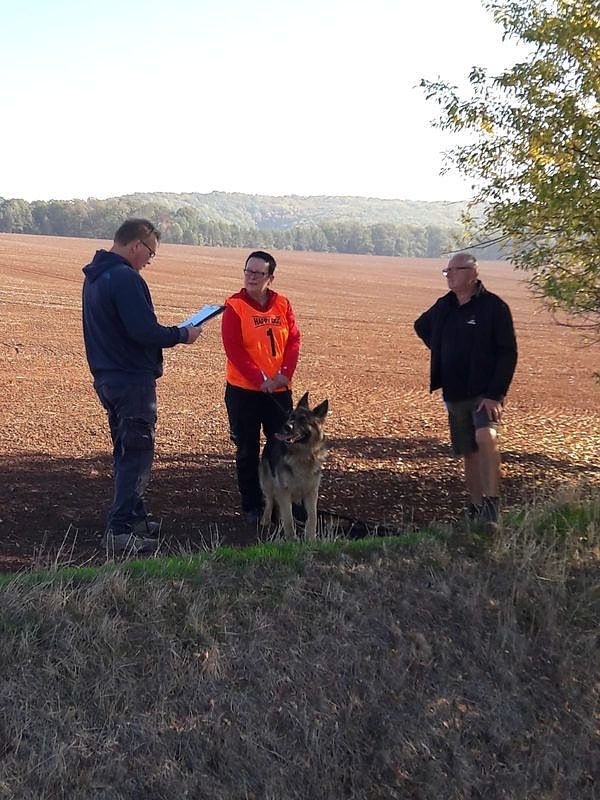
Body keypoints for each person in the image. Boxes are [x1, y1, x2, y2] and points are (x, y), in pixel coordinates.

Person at [82, 218, 202, 553]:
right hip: (131, 379)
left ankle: (135, 518)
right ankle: (119, 530)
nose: (150, 259)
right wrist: (183, 334)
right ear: (137, 245)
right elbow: (143, 331)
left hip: (107, 377)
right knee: (136, 454)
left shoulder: (96, 275)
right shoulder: (125, 278)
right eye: (151, 252)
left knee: (126, 449)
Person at [414, 253, 517, 529]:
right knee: (468, 450)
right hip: (455, 390)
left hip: (485, 392)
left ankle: (492, 504)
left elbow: (508, 353)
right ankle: (475, 507)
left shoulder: (494, 307)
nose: (449, 275)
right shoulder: (444, 305)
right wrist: (441, 348)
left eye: (455, 270)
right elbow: (421, 326)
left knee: (486, 436)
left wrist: (495, 394)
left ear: (472, 273)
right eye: (446, 271)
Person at [221, 250, 301, 524]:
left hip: (278, 392)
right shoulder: (235, 305)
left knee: (285, 448)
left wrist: (284, 374)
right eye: (248, 271)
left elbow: (293, 340)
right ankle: (252, 506)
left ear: (270, 278)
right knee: (247, 449)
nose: (251, 277)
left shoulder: (283, 304)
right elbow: (234, 348)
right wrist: (260, 379)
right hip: (243, 392)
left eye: (258, 273)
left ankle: (286, 505)